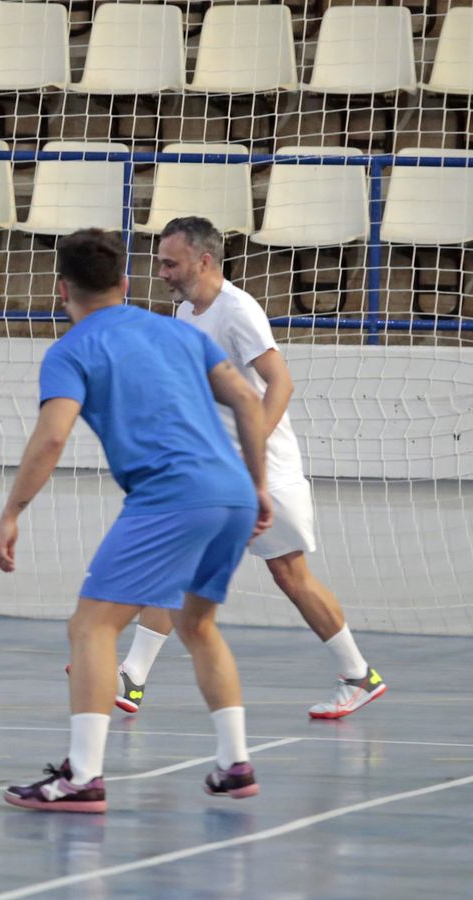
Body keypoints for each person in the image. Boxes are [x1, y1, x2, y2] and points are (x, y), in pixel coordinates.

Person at [0, 228, 273, 814]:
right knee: (197, 626)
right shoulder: (176, 329)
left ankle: (84, 777)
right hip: (232, 492)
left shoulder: (70, 350)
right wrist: (258, 485)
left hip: (171, 495)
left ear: (60, 288)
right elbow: (249, 401)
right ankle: (234, 764)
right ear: (124, 283)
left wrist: (13, 511)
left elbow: (51, 437)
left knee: (91, 627)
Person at [105, 217, 386, 720]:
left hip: (263, 472)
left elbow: (280, 383)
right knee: (178, 563)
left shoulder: (237, 311)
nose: (162, 272)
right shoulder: (188, 312)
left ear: (203, 260)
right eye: (159, 262)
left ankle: (358, 674)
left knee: (290, 574)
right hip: (218, 473)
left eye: (170, 262)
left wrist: (250, 452)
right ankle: (132, 675)